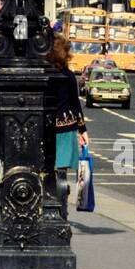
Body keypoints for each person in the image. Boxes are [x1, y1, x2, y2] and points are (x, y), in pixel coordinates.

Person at [47, 35, 88, 177]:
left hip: (45, 126)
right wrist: (83, 130)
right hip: (66, 126)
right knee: (61, 167)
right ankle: (61, 195)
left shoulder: (43, 75)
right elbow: (75, 105)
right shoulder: (69, 76)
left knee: (46, 165)